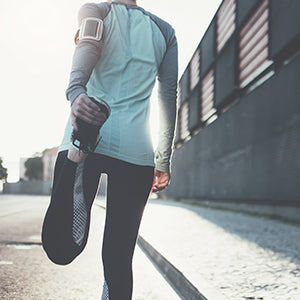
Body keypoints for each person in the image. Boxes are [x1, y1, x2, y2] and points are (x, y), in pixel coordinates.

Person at [60, 0, 177, 298]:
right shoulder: (164, 31)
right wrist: (162, 160)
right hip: (137, 152)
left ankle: (77, 155)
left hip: (87, 134)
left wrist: (76, 93)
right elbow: (167, 95)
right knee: (119, 259)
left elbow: (88, 45)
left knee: (62, 246)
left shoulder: (95, 11)